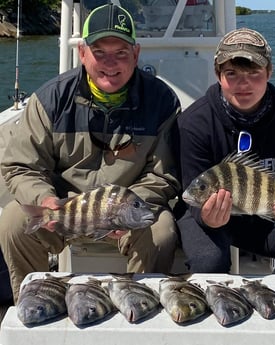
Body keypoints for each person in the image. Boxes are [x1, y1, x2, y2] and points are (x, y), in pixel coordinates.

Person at [0, 3, 181, 303]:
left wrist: (122, 212)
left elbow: (163, 176)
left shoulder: (161, 101)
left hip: (126, 210)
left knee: (160, 231)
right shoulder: (50, 99)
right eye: (99, 52)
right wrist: (45, 200)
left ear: (136, 55)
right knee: (14, 222)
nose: (110, 63)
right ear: (82, 53)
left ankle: (140, 304)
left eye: (121, 52)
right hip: (65, 209)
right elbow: (21, 166)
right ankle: (35, 304)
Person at [176, 27, 275, 306]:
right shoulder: (194, 123)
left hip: (264, 213)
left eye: (254, 73)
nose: (243, 84)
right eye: (232, 74)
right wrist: (206, 218)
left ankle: (270, 302)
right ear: (218, 75)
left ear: (270, 72)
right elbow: (192, 194)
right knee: (209, 258)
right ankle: (220, 312)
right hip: (211, 217)